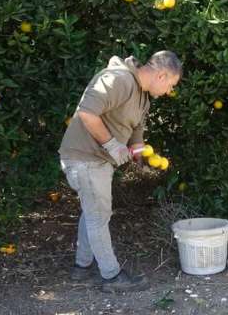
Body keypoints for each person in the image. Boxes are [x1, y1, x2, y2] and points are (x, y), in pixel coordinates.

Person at [58, 51, 182, 292]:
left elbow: (136, 131)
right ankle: (111, 277)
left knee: (93, 210)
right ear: (162, 74)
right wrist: (111, 144)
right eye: (171, 85)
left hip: (99, 161)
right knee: (98, 216)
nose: (169, 91)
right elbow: (86, 112)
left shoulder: (143, 96)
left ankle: (81, 268)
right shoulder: (117, 79)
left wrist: (139, 153)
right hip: (84, 158)